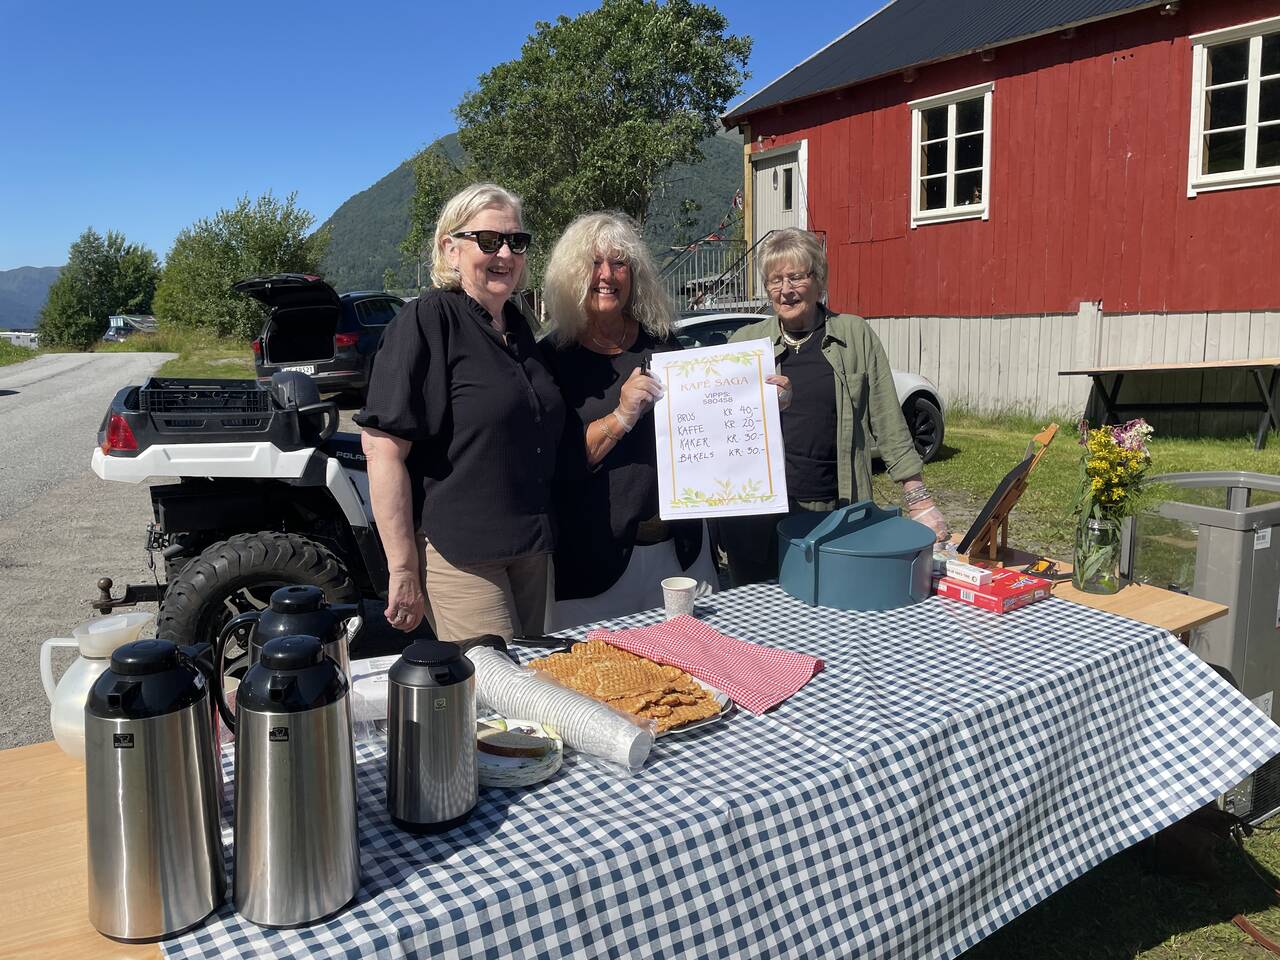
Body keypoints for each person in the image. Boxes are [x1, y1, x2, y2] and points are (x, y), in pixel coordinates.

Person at [355, 183, 565, 642]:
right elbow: (382, 449)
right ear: (450, 249)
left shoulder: (519, 327)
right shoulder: (428, 321)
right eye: (488, 241)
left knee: (535, 695)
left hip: (531, 549)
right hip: (464, 553)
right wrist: (403, 568)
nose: (505, 253)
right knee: (496, 696)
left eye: (516, 241)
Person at [718, 228, 949, 585]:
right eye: (774, 280)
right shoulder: (746, 343)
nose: (785, 290)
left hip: (834, 509)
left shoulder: (855, 335)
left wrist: (919, 500)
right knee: (756, 617)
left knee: (830, 613)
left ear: (818, 279)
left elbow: (888, 422)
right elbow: (717, 423)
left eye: (796, 276)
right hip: (758, 515)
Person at [539, 212, 735, 629]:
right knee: (599, 684)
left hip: (681, 550)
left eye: (619, 263)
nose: (607, 275)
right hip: (594, 561)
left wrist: (760, 400)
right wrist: (622, 415)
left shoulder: (662, 342)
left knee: (695, 666)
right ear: (571, 275)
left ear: (636, 274)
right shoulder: (552, 359)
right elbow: (556, 460)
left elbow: (710, 424)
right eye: (594, 263)